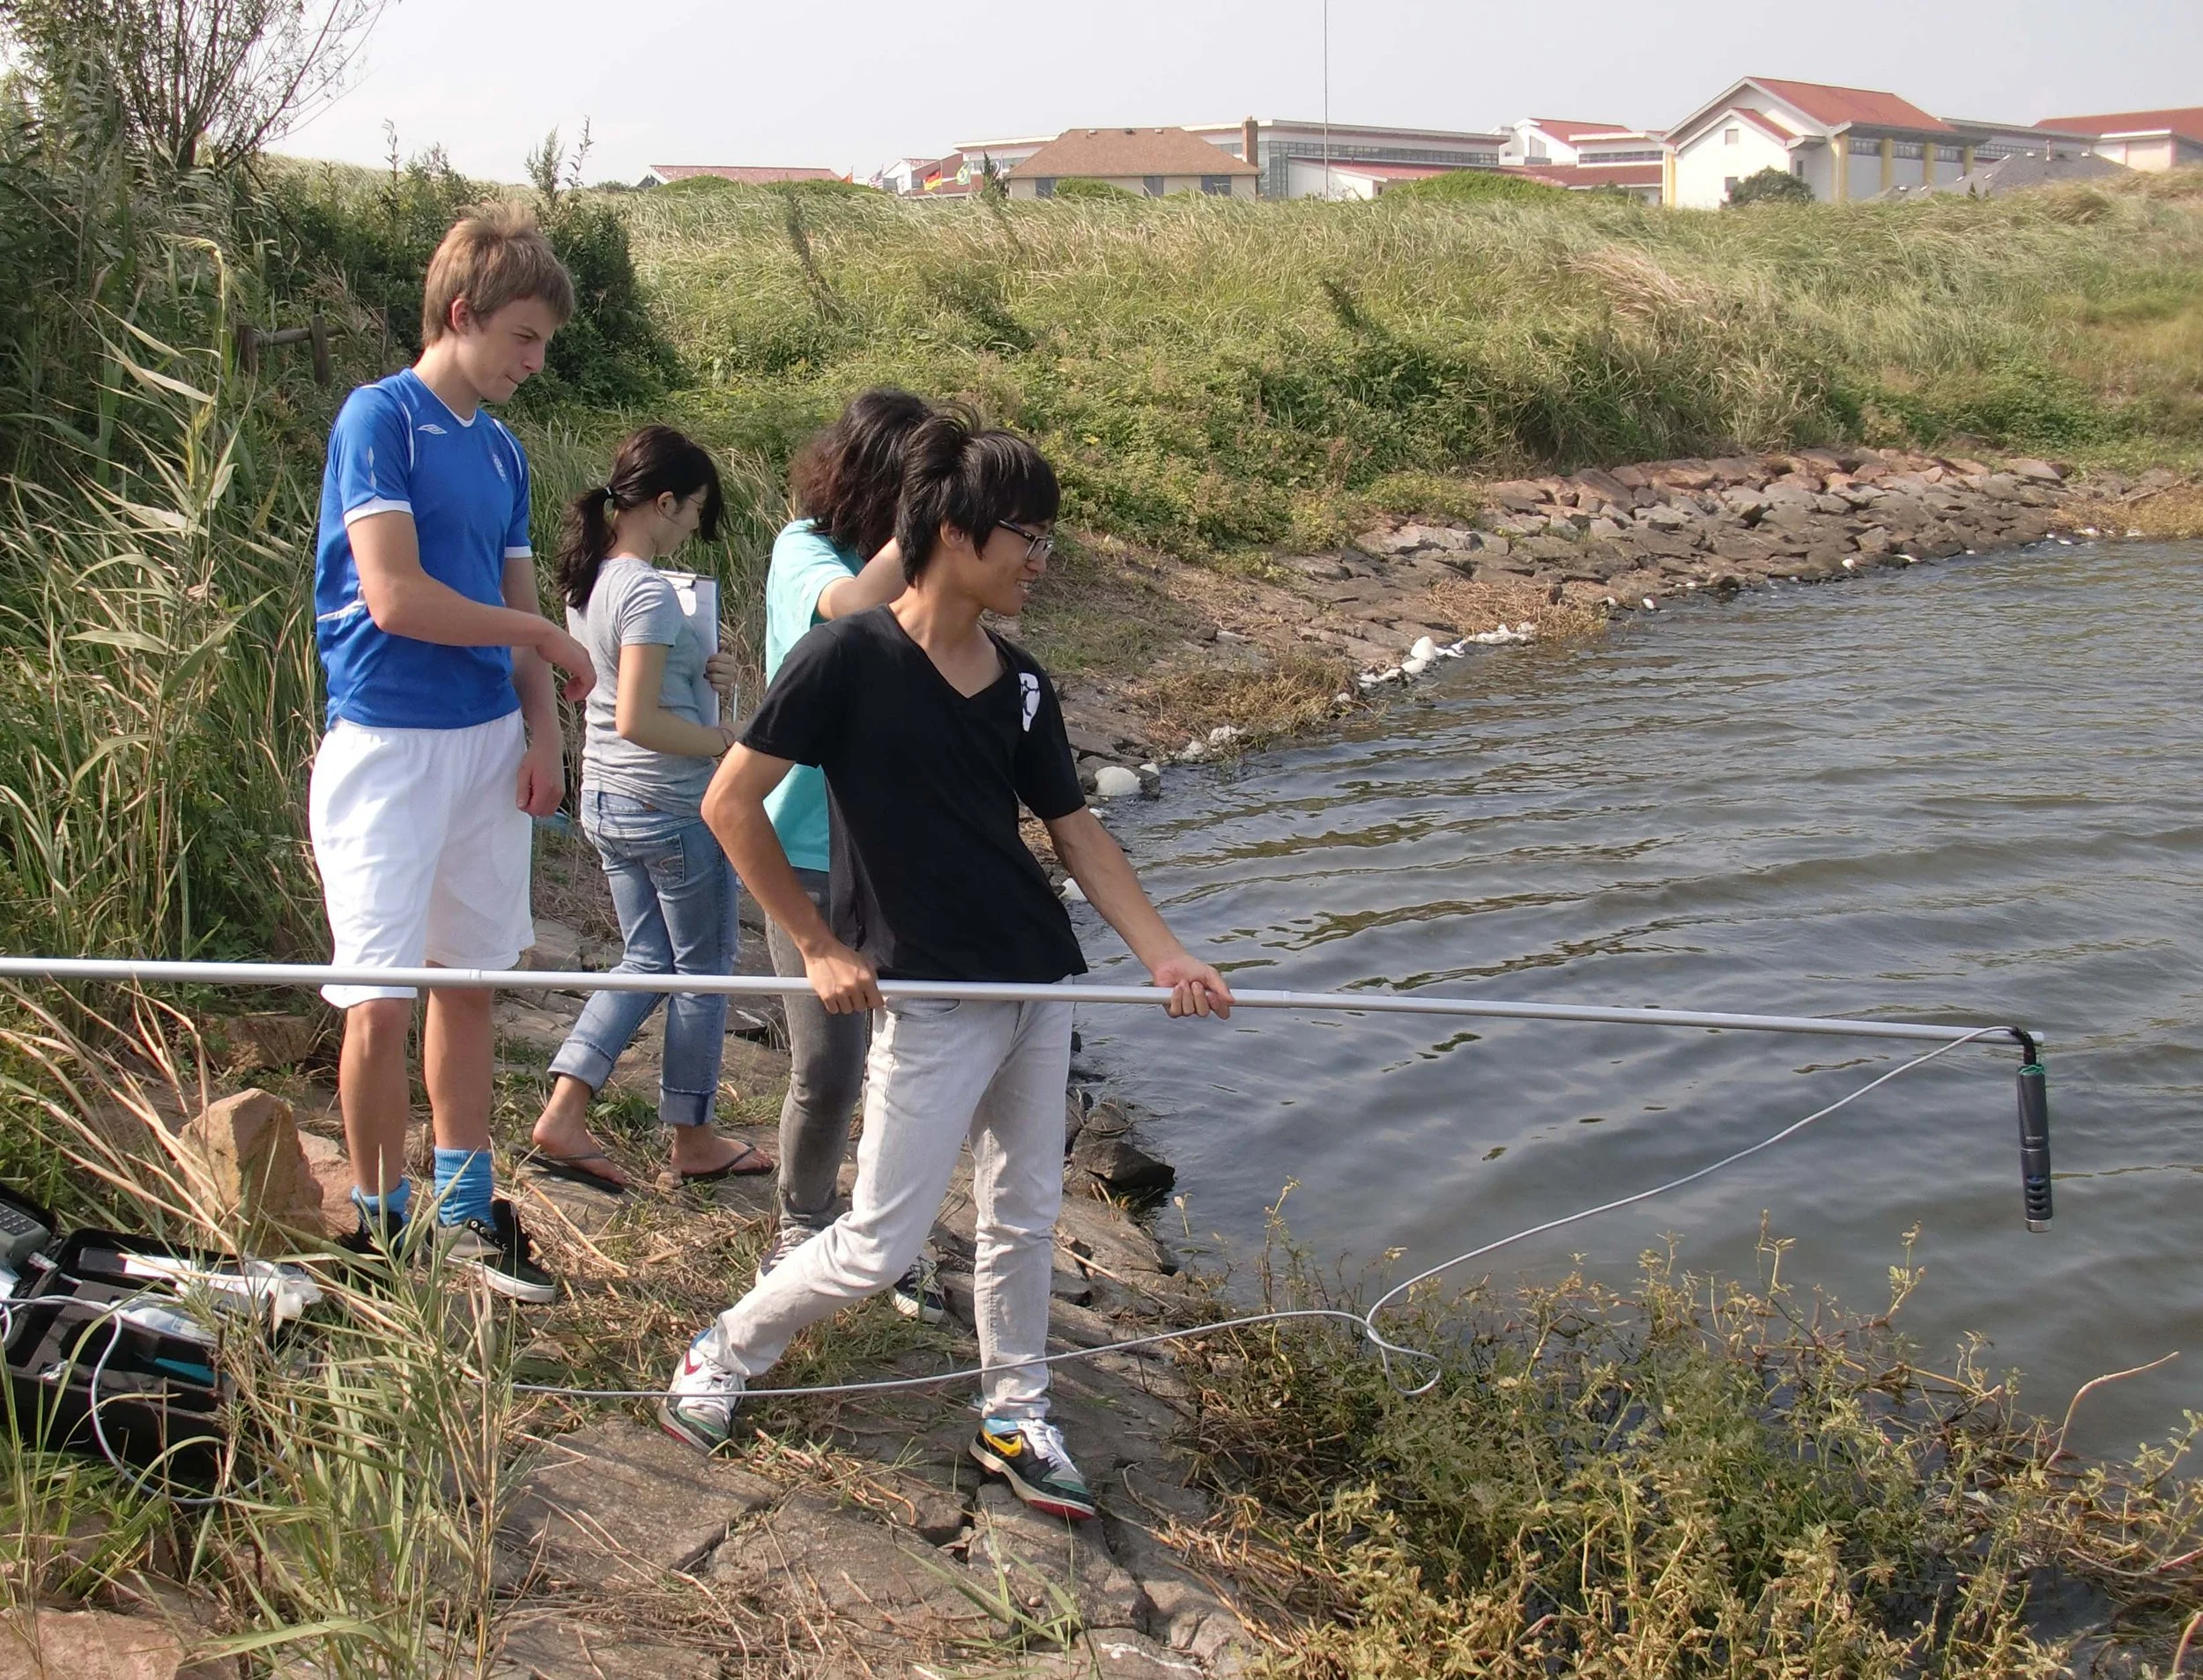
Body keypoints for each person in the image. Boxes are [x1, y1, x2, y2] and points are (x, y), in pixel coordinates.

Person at [659, 413, 1234, 1522]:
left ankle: (1013, 1411)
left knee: (1023, 1212)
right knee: (879, 1241)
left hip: (1032, 982)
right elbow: (728, 804)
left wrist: (1164, 954)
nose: (1040, 560)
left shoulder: (1020, 684)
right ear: (958, 531)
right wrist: (821, 945)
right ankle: (726, 1347)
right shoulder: (847, 657)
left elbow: (1074, 829)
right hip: (928, 991)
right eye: (1029, 535)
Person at [310, 205, 590, 1302]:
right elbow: (394, 595)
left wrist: (546, 730)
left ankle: (467, 1205)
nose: (534, 360)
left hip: (487, 746)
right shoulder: (379, 419)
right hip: (387, 743)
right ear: (463, 315)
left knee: (468, 982)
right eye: (523, 337)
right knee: (378, 998)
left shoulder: (503, 449)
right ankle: (382, 1226)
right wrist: (534, 637)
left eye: (546, 344)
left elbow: (517, 599)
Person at [526, 426, 771, 1191]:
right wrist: (725, 736)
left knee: (647, 958)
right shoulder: (646, 589)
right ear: (663, 503)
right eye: (694, 509)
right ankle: (692, 1137)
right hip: (664, 802)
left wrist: (701, 669)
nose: (695, 525)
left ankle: (566, 1113)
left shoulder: (594, 579)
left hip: (607, 796)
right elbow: (638, 716)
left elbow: (625, 686)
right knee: (705, 969)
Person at [754, 388, 938, 1318]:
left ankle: (882, 1234)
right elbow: (844, 609)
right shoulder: (805, 552)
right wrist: (928, 518)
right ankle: (800, 1223)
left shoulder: (913, 579)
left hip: (891, 856)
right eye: (914, 491)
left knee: (901, 1067)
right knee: (827, 1066)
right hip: (800, 852)